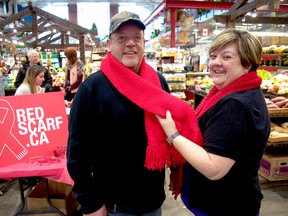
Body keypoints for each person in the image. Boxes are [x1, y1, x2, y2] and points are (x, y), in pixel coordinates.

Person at [66, 11, 202, 216]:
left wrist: (175, 169)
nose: (130, 43)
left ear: (143, 43)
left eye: (136, 37)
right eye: (122, 38)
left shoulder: (158, 82)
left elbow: (171, 130)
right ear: (109, 45)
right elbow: (77, 152)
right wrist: (90, 203)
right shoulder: (92, 88)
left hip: (153, 201)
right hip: (113, 205)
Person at [156, 28, 271, 216]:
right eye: (213, 56)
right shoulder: (233, 92)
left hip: (226, 206)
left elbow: (213, 168)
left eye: (226, 57)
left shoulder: (236, 105)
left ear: (248, 63)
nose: (216, 63)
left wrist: (173, 134)